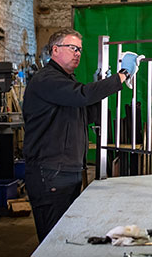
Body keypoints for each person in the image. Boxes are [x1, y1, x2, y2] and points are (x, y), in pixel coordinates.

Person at [22, 28, 140, 242]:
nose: (78, 53)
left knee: (66, 235)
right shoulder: (47, 80)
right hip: (50, 172)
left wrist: (102, 86)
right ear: (55, 50)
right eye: (73, 48)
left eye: (80, 50)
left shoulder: (66, 82)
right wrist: (121, 76)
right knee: (54, 239)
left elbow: (86, 111)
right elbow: (82, 95)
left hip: (66, 170)